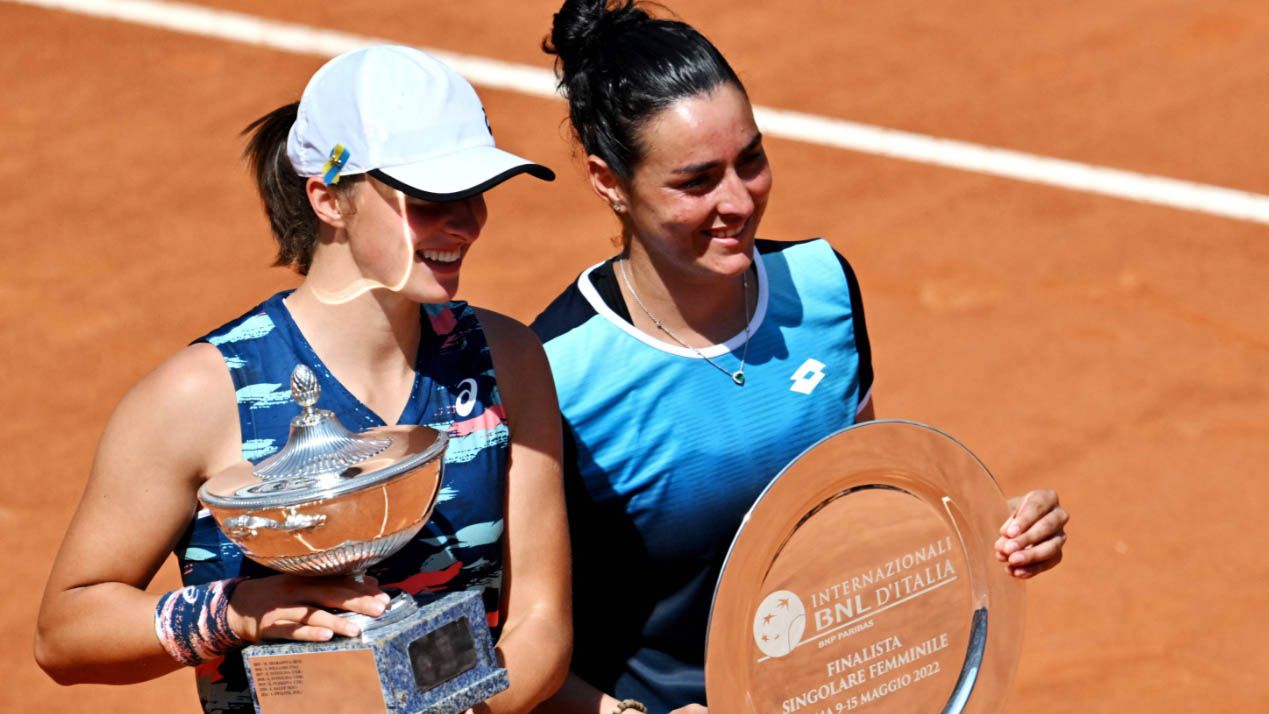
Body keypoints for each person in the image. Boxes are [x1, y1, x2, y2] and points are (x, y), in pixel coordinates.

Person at [528, 2, 1069, 713]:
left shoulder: (820, 289)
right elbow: (503, 640)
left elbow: (859, 510)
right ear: (608, 182)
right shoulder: (557, 372)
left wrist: (995, 535)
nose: (738, 201)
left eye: (749, 160)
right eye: (695, 181)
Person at [35, 45, 571, 714]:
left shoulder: (507, 359)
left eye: (474, 191)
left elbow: (540, 622)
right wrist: (239, 611)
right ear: (328, 199)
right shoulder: (200, 397)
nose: (465, 221)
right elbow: (65, 632)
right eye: (431, 197)